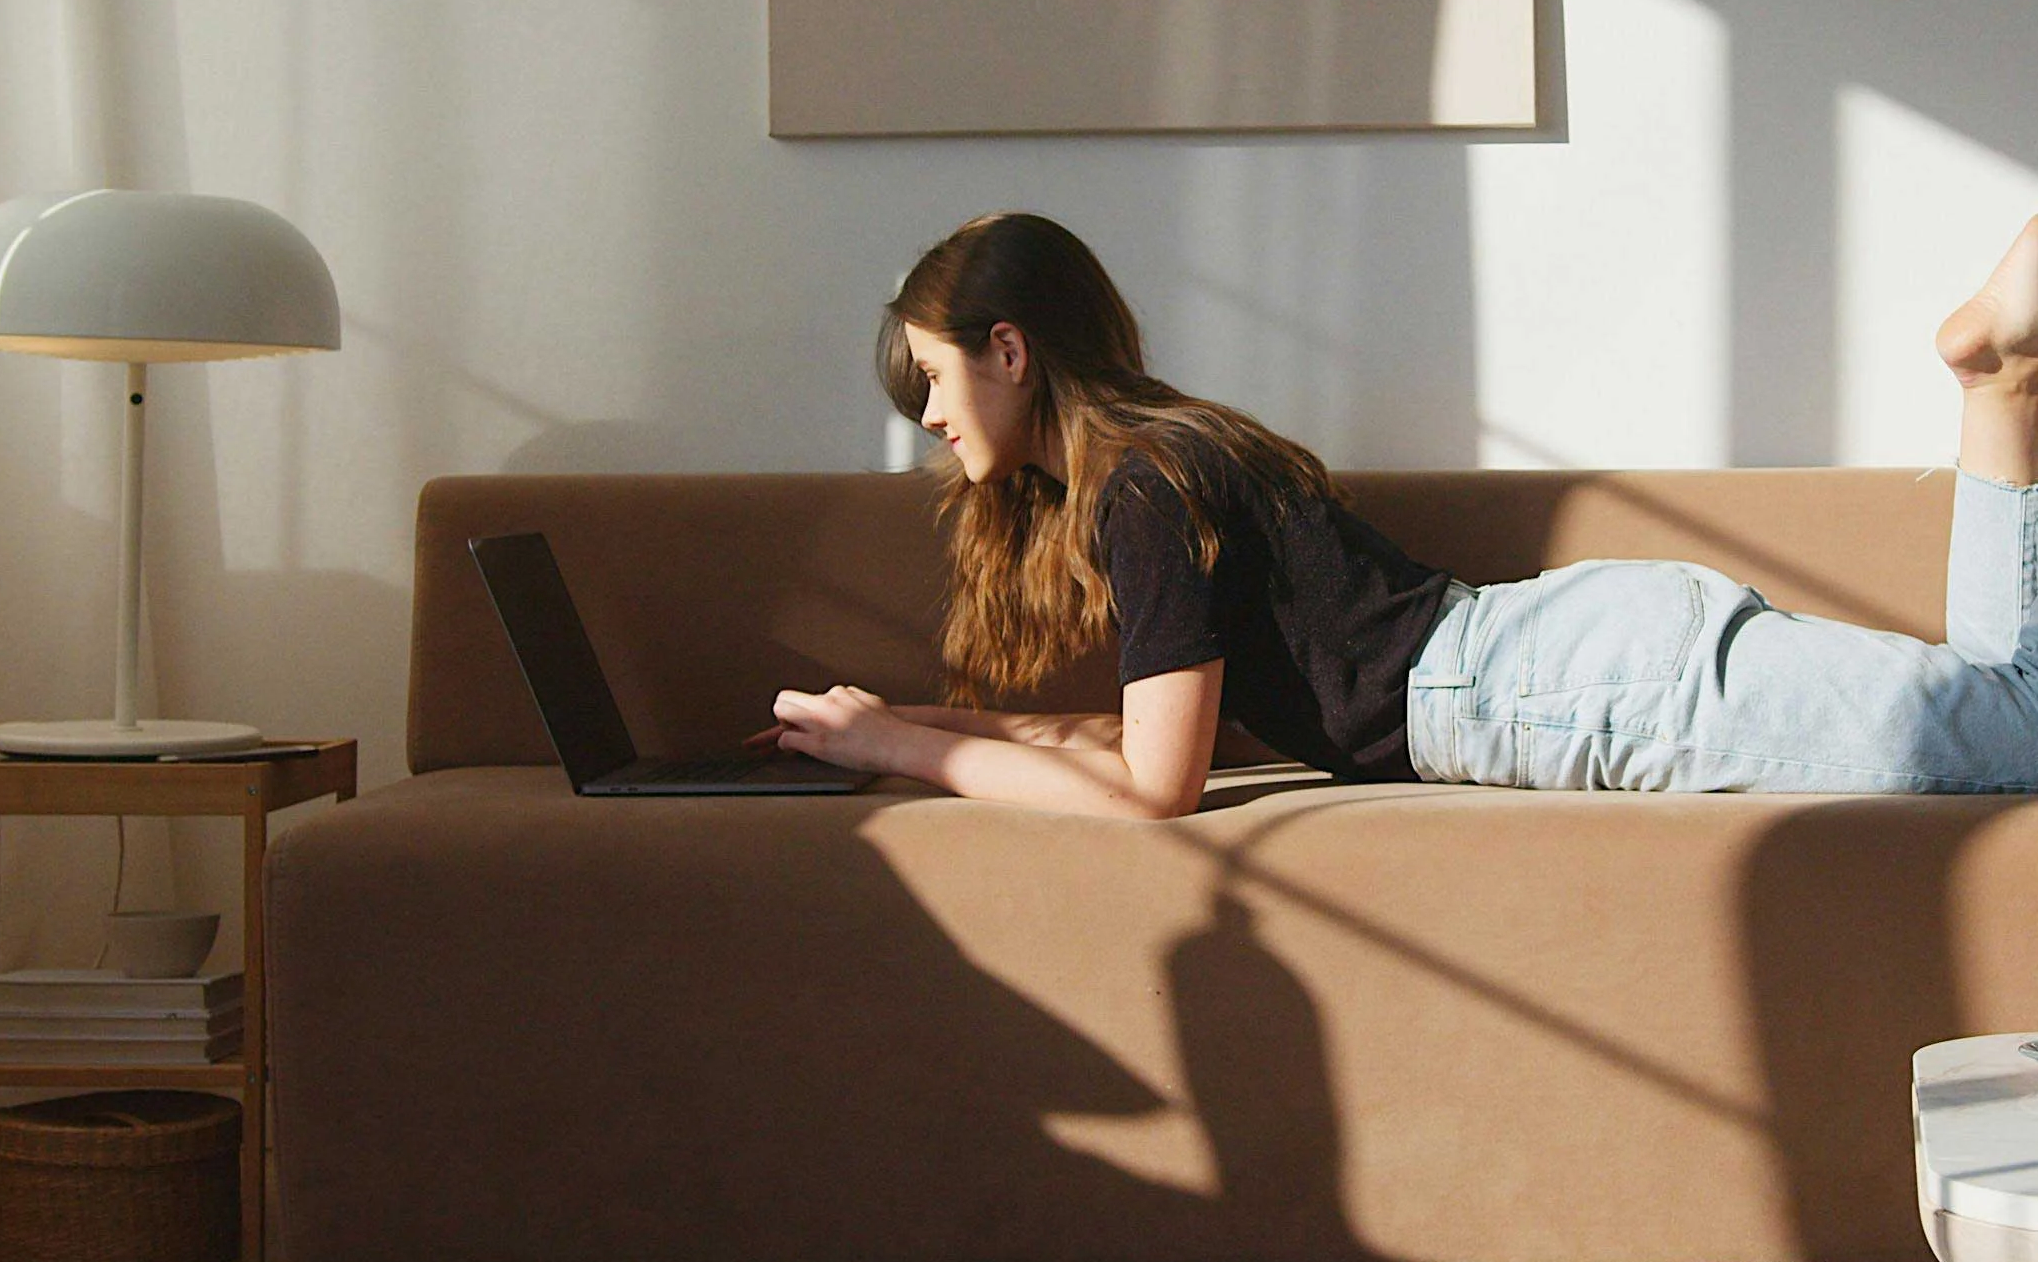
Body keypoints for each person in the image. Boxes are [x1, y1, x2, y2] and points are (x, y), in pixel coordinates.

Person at [769, 211, 2038, 818]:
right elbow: (1143, 726)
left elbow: (1156, 786)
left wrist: (904, 754)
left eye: (930, 379)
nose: (927, 419)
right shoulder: (1156, 461)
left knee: (2022, 729)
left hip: (1576, 688)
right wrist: (907, 722)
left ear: (1008, 348)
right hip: (1567, 665)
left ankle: (1997, 368)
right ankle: (1999, 377)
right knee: (2007, 698)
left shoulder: (1145, 489)